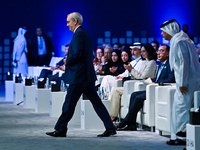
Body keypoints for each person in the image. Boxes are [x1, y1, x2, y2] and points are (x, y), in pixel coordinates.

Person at [46, 12, 116, 137]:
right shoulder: (85, 34)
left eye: (68, 22)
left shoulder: (78, 34)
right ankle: (110, 127)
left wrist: (67, 61)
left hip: (79, 76)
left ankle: (61, 129)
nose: (67, 25)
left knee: (69, 103)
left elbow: (76, 54)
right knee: (96, 102)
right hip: (86, 76)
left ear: (75, 22)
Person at [116, 45, 175, 130]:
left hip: (160, 89)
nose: (158, 53)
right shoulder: (161, 64)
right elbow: (153, 78)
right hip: (153, 88)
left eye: (161, 51)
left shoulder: (169, 65)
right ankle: (131, 124)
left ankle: (126, 121)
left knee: (138, 98)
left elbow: (171, 79)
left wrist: (156, 83)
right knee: (134, 95)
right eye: (158, 51)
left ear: (168, 54)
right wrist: (150, 82)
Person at [160, 19, 200, 145]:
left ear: (169, 30)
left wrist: (182, 83)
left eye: (163, 31)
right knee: (182, 108)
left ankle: (181, 138)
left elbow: (183, 63)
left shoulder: (179, 40)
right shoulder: (182, 38)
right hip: (188, 80)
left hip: (186, 81)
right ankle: (179, 135)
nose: (162, 34)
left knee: (182, 108)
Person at [109, 43, 157, 121]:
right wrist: (133, 73)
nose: (142, 53)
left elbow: (142, 77)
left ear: (149, 51)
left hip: (143, 84)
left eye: (144, 51)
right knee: (115, 89)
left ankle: (114, 117)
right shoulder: (147, 62)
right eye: (141, 51)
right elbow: (139, 75)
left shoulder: (151, 62)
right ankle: (117, 116)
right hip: (138, 83)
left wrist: (131, 70)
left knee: (116, 90)